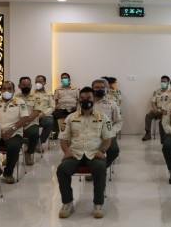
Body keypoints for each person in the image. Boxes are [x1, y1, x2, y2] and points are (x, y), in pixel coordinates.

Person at [56, 86, 112, 219]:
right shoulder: (71, 118)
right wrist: (66, 150)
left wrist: (102, 150)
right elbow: (63, 138)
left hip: (94, 153)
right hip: (75, 153)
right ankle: (67, 203)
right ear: (78, 100)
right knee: (62, 169)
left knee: (100, 168)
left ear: (94, 99)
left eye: (88, 98)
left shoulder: (102, 117)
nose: (85, 101)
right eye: (82, 98)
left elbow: (108, 139)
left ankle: (98, 204)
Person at [0, 81, 30, 184]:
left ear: (14, 90)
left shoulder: (20, 102)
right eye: (4, 88)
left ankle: (8, 173)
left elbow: (25, 118)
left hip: (14, 133)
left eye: (9, 88)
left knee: (14, 147)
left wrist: (12, 130)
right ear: (1, 90)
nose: (7, 91)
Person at [16, 76, 54, 164]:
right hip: (19, 121)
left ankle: (32, 150)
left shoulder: (38, 96)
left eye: (28, 85)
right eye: (23, 85)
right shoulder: (16, 98)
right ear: (19, 86)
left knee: (37, 131)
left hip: (34, 119)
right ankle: (12, 154)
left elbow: (48, 108)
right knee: (9, 133)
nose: (26, 87)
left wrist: (42, 114)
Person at [92, 78, 122, 171]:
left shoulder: (112, 103)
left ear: (106, 89)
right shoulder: (86, 103)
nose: (99, 89)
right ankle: (93, 168)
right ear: (92, 88)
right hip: (90, 133)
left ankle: (102, 168)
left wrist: (111, 132)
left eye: (102, 87)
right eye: (97, 87)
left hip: (108, 133)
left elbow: (118, 121)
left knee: (114, 151)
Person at [143, 75, 170, 141]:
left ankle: (166, 136)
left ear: (168, 82)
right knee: (148, 116)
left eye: (164, 81)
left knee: (163, 121)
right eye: (161, 81)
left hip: (166, 111)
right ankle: (148, 134)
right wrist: (154, 108)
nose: (162, 83)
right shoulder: (157, 91)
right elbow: (153, 101)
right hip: (158, 110)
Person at [52, 72, 79, 139]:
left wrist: (78, 108)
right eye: (62, 78)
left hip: (73, 108)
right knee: (52, 115)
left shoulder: (75, 89)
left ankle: (75, 133)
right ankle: (55, 133)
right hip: (62, 108)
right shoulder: (58, 89)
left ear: (69, 79)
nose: (64, 79)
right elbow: (55, 100)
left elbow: (79, 100)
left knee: (78, 116)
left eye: (65, 78)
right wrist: (56, 106)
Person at [34, 75, 56, 147]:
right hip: (32, 116)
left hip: (44, 116)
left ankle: (40, 142)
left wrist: (43, 113)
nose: (38, 83)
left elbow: (52, 107)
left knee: (50, 122)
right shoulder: (31, 93)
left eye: (40, 82)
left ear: (44, 83)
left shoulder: (49, 94)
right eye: (36, 82)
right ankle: (31, 142)